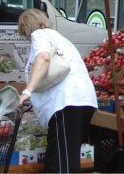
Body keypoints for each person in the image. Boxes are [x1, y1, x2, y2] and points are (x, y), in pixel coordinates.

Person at [17, 9, 97, 173]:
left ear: (27, 26)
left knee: (62, 164)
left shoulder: (39, 35)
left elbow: (44, 58)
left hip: (66, 103)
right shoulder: (59, 39)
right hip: (81, 101)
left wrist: (28, 91)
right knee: (59, 159)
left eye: (23, 31)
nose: (25, 36)